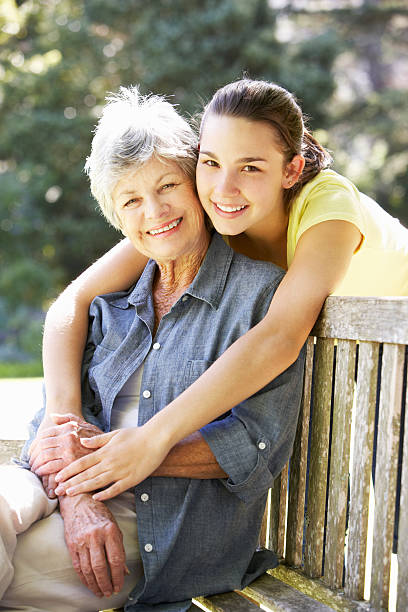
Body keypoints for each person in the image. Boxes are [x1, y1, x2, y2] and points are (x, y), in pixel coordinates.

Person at [0, 87, 305, 612]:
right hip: (64, 491)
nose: (155, 211)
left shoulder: (261, 296)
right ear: (115, 217)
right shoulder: (113, 303)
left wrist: (130, 459)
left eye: (168, 186)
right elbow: (55, 426)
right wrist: (77, 494)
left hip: (156, 525)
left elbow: (255, 447)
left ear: (197, 187)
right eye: (132, 200)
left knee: (16, 579)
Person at [31, 78, 408, 500]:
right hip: (339, 360)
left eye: (250, 167)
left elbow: (280, 335)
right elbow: (73, 301)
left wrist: (154, 437)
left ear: (291, 170)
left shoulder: (328, 206)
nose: (224, 188)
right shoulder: (210, 207)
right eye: (211, 162)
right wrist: (60, 414)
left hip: (394, 346)